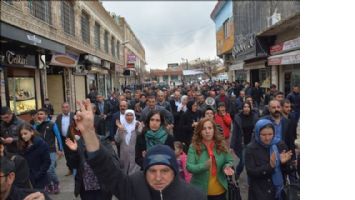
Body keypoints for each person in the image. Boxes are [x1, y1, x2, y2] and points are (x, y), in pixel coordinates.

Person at [71, 99, 206, 200]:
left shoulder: (192, 196)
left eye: (165, 171)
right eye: (152, 171)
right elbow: (105, 169)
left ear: (174, 170)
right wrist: (88, 132)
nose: (158, 178)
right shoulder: (133, 188)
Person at [245, 119, 294, 200]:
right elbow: (251, 172)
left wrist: (284, 163)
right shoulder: (251, 149)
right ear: (257, 133)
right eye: (263, 135)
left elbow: (289, 170)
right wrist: (270, 166)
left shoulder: (280, 144)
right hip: (260, 193)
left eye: (270, 134)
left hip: (280, 191)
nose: (267, 138)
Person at [187, 118, 234, 200]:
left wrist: (227, 166)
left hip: (220, 191)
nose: (207, 131)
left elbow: (229, 160)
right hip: (200, 192)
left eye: (210, 128)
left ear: (214, 130)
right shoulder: (193, 147)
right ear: (200, 131)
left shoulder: (221, 144)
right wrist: (204, 166)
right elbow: (189, 167)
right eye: (204, 129)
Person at [34, 108, 64, 194]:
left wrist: (60, 149)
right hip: (39, 151)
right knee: (43, 169)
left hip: (51, 150)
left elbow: (58, 136)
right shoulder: (36, 125)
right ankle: (49, 185)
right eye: (38, 114)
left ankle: (56, 183)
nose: (40, 115)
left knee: (49, 169)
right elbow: (32, 135)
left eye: (42, 114)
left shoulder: (52, 124)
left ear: (46, 115)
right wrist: (37, 125)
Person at [17, 123, 51, 190]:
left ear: (32, 132)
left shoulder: (41, 144)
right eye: (21, 135)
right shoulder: (22, 145)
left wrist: (37, 175)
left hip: (39, 180)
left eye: (25, 133)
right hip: (26, 180)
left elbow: (47, 162)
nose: (23, 136)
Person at [230, 102, 259, 180]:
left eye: (248, 107)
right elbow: (235, 132)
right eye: (244, 107)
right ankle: (238, 173)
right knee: (243, 162)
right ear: (242, 108)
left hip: (253, 143)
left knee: (251, 163)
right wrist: (232, 146)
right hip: (242, 144)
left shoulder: (255, 117)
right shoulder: (238, 118)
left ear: (250, 108)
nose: (246, 108)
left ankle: (251, 181)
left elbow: (258, 131)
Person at [114, 109, 142, 175]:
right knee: (124, 172)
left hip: (135, 155)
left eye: (131, 115)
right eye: (127, 115)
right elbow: (117, 140)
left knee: (134, 173)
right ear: (125, 116)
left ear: (134, 116)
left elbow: (140, 137)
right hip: (124, 154)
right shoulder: (121, 126)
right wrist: (120, 131)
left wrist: (139, 128)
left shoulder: (137, 125)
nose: (129, 117)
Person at [55, 102, 76, 177]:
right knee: (67, 155)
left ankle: (76, 168)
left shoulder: (74, 115)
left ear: (69, 108)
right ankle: (70, 169)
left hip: (73, 139)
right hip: (64, 139)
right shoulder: (59, 117)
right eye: (63, 107)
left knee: (74, 154)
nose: (65, 109)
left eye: (67, 107)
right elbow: (57, 129)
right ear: (61, 108)